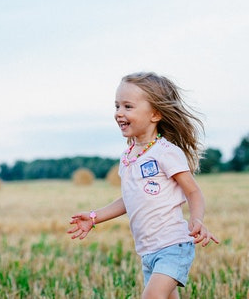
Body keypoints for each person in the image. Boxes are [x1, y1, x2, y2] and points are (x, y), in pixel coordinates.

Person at [67, 72, 219, 299]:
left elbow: (193, 191)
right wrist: (94, 217)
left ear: (155, 114)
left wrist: (196, 220)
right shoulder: (128, 156)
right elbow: (129, 198)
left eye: (128, 106)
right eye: (117, 106)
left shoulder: (166, 153)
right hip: (148, 251)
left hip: (173, 246)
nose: (119, 113)